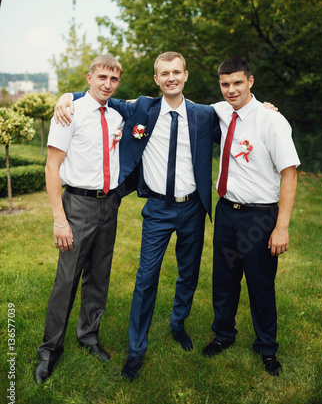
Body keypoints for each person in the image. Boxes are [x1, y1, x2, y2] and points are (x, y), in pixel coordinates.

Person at [55, 52, 222, 381]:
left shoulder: (204, 115)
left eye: (176, 72)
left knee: (188, 275)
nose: (171, 77)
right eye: (164, 73)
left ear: (185, 75)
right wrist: (66, 96)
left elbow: (240, 115)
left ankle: (178, 324)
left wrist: (265, 108)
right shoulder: (143, 108)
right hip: (158, 209)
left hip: (192, 207)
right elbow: (98, 97)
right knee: (146, 280)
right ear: (156, 79)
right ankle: (136, 350)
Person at [203, 57, 300, 376]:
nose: (231, 90)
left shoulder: (272, 121)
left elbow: (289, 175)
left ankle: (267, 348)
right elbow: (173, 101)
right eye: (225, 84)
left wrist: (281, 227)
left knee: (260, 284)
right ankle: (223, 335)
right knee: (224, 280)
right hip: (227, 212)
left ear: (251, 82)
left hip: (260, 217)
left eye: (237, 83)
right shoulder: (218, 112)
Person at [34, 55, 124, 383]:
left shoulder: (117, 115)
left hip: (108, 206)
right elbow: (51, 167)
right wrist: (60, 218)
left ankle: (88, 335)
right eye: (101, 77)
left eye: (113, 80)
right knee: (67, 280)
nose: (107, 84)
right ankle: (49, 351)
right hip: (78, 205)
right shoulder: (69, 112)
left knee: (99, 277)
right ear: (89, 77)